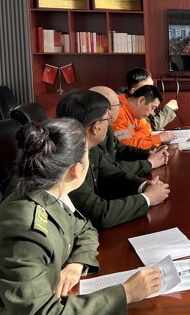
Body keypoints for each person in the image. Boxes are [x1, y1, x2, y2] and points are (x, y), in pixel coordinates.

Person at [0, 118, 161, 315]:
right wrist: (126, 293)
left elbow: (85, 228)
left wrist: (77, 263)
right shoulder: (25, 231)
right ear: (76, 170)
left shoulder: (45, 191)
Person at [56, 89, 170, 229]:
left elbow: (109, 174)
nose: (110, 120)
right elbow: (99, 213)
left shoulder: (88, 147)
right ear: (96, 127)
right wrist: (147, 199)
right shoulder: (65, 160)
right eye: (106, 118)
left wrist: (144, 185)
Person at [91, 86, 169, 176]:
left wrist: (148, 154)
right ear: (107, 110)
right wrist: (149, 163)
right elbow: (107, 169)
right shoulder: (92, 135)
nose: (120, 107)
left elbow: (121, 148)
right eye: (118, 105)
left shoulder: (107, 126)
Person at [112, 85, 177, 149]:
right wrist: (158, 139)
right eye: (152, 108)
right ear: (141, 100)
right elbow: (126, 147)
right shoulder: (117, 112)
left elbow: (147, 128)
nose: (152, 112)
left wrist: (134, 139)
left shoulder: (135, 112)